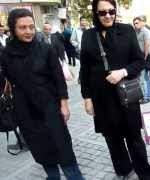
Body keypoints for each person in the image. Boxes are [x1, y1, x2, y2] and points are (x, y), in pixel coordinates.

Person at [0, 8, 84, 180]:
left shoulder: (45, 49)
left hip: (50, 107)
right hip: (25, 112)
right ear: (13, 29)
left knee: (64, 150)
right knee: (42, 151)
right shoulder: (5, 54)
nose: (28, 31)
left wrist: (65, 105)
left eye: (31, 27)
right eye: (22, 27)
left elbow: (59, 79)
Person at [79, 0, 150, 179]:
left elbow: (139, 61)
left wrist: (123, 71)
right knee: (112, 139)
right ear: (95, 14)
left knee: (134, 138)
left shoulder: (127, 30)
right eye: (102, 13)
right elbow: (84, 70)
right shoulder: (89, 36)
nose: (108, 16)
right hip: (102, 99)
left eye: (111, 11)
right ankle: (123, 170)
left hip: (126, 95)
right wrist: (87, 98)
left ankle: (144, 173)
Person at [133, 16, 150, 104]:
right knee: (146, 77)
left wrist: (143, 59)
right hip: (141, 56)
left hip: (145, 56)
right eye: (134, 23)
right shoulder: (137, 31)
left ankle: (146, 96)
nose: (135, 25)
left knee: (144, 78)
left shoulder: (146, 32)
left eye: (137, 23)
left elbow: (147, 46)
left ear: (142, 22)